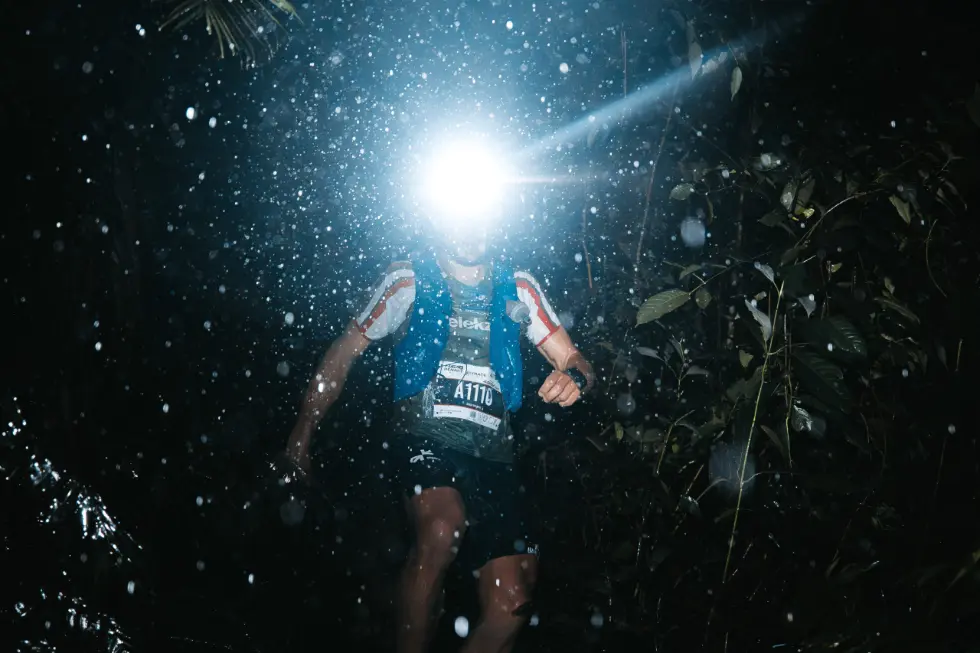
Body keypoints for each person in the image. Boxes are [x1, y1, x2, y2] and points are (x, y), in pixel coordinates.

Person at [283, 222, 594, 653]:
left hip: (495, 456)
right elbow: (344, 350)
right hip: (423, 440)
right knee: (442, 527)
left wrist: (576, 378)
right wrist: (302, 432)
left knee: (513, 601)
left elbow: (573, 357)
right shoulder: (406, 281)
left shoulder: (519, 287)